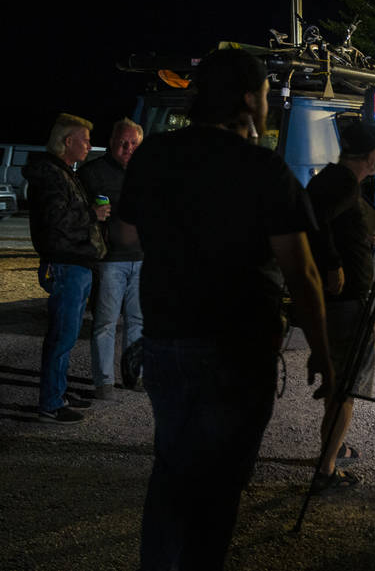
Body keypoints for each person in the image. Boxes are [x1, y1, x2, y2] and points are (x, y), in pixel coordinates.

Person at [119, 48, 333, 570]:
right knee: (220, 484)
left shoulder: (155, 155)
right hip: (238, 345)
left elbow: (124, 234)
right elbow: (301, 272)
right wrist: (324, 351)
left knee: (171, 471)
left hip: (167, 339)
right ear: (247, 99)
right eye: (263, 93)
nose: (266, 102)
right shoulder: (263, 169)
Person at [306, 120, 375, 493]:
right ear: (371, 155)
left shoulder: (332, 179)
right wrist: (333, 262)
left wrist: (358, 236)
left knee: (339, 382)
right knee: (347, 388)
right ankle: (326, 468)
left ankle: (333, 448)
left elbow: (327, 221)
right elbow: (315, 222)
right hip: (347, 301)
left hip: (339, 300)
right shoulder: (341, 183)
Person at [24, 113, 110, 423]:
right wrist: (92, 214)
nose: (89, 145)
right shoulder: (51, 175)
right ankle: (50, 402)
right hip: (66, 264)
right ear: (68, 141)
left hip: (75, 263)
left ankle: (57, 392)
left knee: (67, 336)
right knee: (61, 337)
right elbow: (55, 221)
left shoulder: (61, 172)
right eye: (85, 140)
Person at [78, 118, 144, 400]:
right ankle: (103, 381)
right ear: (112, 142)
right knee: (105, 322)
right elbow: (81, 212)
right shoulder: (93, 173)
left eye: (133, 143)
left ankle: (134, 377)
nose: (127, 148)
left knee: (137, 321)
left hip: (142, 259)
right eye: (122, 142)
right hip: (109, 261)